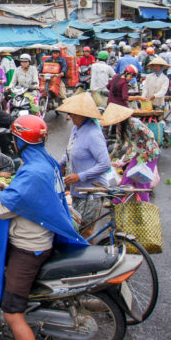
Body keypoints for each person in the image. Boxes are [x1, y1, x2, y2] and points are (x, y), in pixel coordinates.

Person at [0, 114, 85, 340]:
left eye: (15, 139)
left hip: (29, 247)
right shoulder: (46, 162)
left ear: (20, 142)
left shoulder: (33, 172)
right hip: (41, 235)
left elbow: (1, 208)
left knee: (13, 313)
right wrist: (6, 185)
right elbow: (28, 194)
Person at [56, 93, 109, 235]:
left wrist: (80, 176)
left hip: (92, 191)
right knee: (77, 228)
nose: (71, 116)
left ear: (84, 115)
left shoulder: (93, 134)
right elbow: (68, 153)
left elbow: (105, 164)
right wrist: (57, 165)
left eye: (74, 114)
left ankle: (90, 256)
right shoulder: (76, 129)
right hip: (77, 190)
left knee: (85, 231)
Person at [100, 104, 160, 202]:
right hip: (138, 152)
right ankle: (118, 202)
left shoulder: (134, 123)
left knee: (141, 180)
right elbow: (119, 143)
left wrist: (148, 153)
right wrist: (112, 156)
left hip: (150, 153)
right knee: (127, 175)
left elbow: (150, 136)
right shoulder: (120, 126)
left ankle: (145, 205)